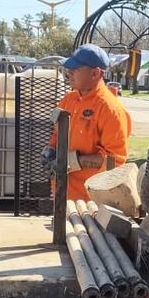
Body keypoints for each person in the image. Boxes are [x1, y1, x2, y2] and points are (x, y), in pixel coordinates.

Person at [45, 44, 131, 201]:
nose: (69, 73)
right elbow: (58, 132)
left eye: (75, 69)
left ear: (94, 73)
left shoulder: (110, 109)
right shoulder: (69, 100)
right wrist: (50, 149)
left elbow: (115, 160)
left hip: (89, 202)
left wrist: (73, 161)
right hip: (62, 193)